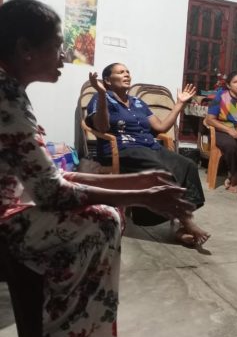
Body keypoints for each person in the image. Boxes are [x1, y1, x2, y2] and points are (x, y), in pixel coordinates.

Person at [0, 0, 195, 337]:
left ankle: (77, 335)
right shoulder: (7, 96)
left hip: (20, 200)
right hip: (6, 217)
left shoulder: (11, 91)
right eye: (58, 45)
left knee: (109, 214)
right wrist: (142, 193)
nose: (64, 55)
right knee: (100, 220)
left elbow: (47, 175)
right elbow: (51, 191)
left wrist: (137, 184)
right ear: (25, 49)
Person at [86, 63, 209, 247]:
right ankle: (187, 222)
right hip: (122, 149)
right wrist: (103, 94)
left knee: (188, 166)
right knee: (161, 171)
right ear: (108, 80)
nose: (126, 74)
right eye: (120, 72)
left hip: (149, 147)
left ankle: (182, 227)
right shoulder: (99, 98)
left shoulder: (138, 102)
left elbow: (161, 127)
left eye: (128, 72)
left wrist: (180, 104)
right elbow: (102, 127)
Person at [205, 71, 237, 192]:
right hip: (221, 131)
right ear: (229, 85)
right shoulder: (220, 97)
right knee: (231, 146)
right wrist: (229, 130)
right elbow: (209, 120)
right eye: (235, 82)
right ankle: (235, 176)